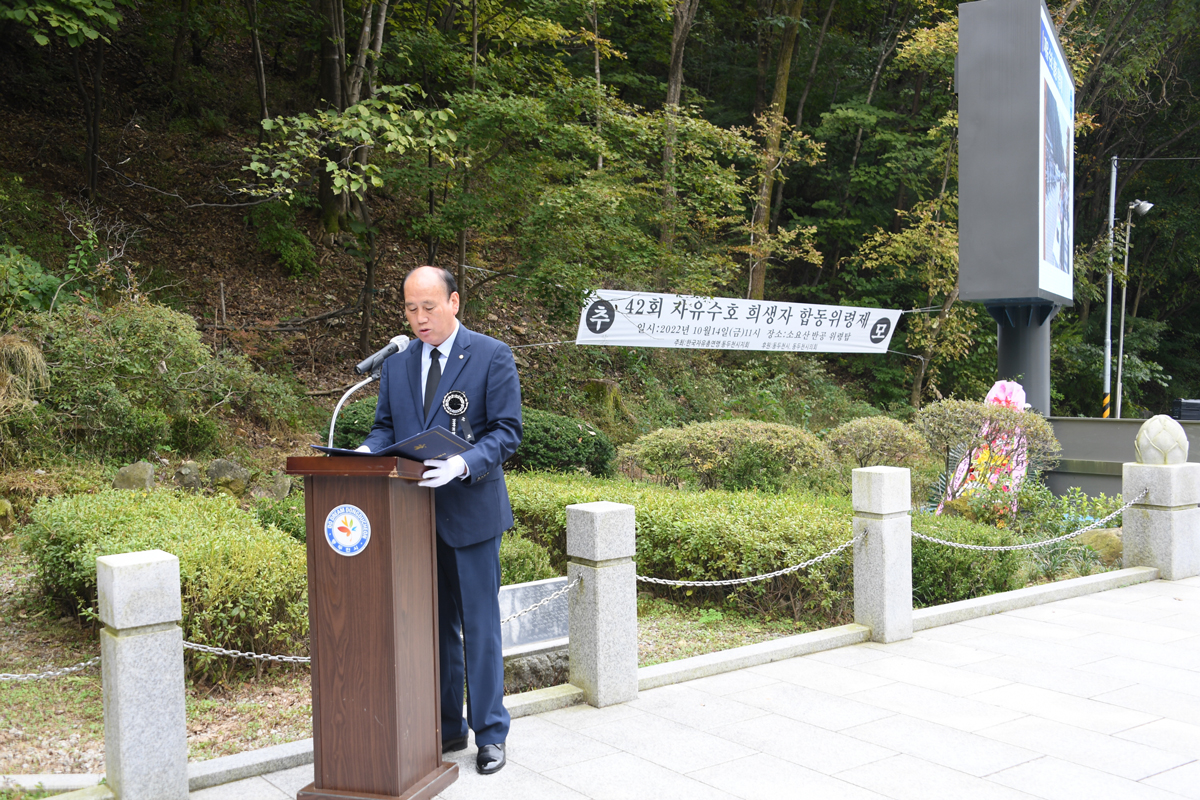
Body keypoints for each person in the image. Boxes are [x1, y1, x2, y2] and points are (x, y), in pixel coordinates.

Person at [358, 265, 522, 775]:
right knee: (433, 627)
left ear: (454, 302)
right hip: (412, 518)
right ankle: (448, 725)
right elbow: (387, 427)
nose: (420, 318)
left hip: (470, 514)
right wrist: (365, 450)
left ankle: (491, 733)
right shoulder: (400, 363)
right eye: (410, 308)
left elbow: (507, 431)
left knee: (479, 626)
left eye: (429, 306)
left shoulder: (491, 355)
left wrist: (463, 463)